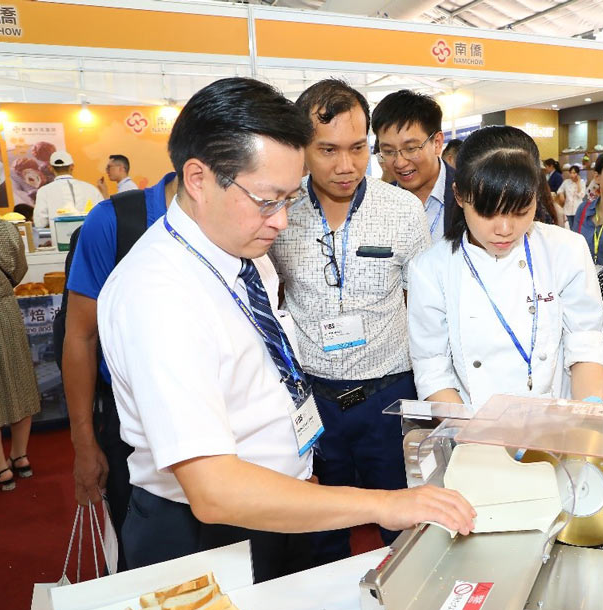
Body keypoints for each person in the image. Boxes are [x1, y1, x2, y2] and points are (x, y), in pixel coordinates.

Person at [97, 77, 473, 581]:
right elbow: (214, 490)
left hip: (276, 505)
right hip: (206, 534)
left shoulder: (241, 253)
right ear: (197, 178)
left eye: (289, 199)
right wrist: (382, 505)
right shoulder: (159, 296)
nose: (280, 221)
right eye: (268, 199)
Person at [269, 79, 433, 567]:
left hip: (389, 397)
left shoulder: (402, 209)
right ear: (301, 148)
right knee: (318, 526)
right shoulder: (280, 211)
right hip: (312, 401)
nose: (347, 166)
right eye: (328, 150)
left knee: (403, 523)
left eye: (359, 148)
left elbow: (424, 307)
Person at [407, 126, 603, 407]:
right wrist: (477, 433)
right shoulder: (430, 269)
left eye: (520, 211)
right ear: (460, 195)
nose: (504, 229)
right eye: (488, 212)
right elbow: (433, 371)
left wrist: (588, 409)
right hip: (473, 427)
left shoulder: (566, 250)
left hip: (555, 424)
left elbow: (586, 342)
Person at [63, 170, 178, 570]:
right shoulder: (116, 221)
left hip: (227, 424)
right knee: (146, 564)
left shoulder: (253, 225)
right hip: (133, 422)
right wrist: (84, 444)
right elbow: (80, 337)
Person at [0, 192, 40, 492]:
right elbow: (20, 269)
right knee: (19, 384)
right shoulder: (6, 228)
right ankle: (20, 458)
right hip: (7, 310)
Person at [372, 90, 454, 243]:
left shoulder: (471, 193)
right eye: (388, 151)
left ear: (437, 143)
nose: (400, 162)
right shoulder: (377, 205)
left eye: (410, 149)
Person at [33, 151, 104, 228]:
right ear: (72, 167)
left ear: (51, 168)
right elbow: (103, 215)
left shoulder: (44, 191)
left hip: (59, 239)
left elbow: (40, 223)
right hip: (89, 237)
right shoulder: (91, 189)